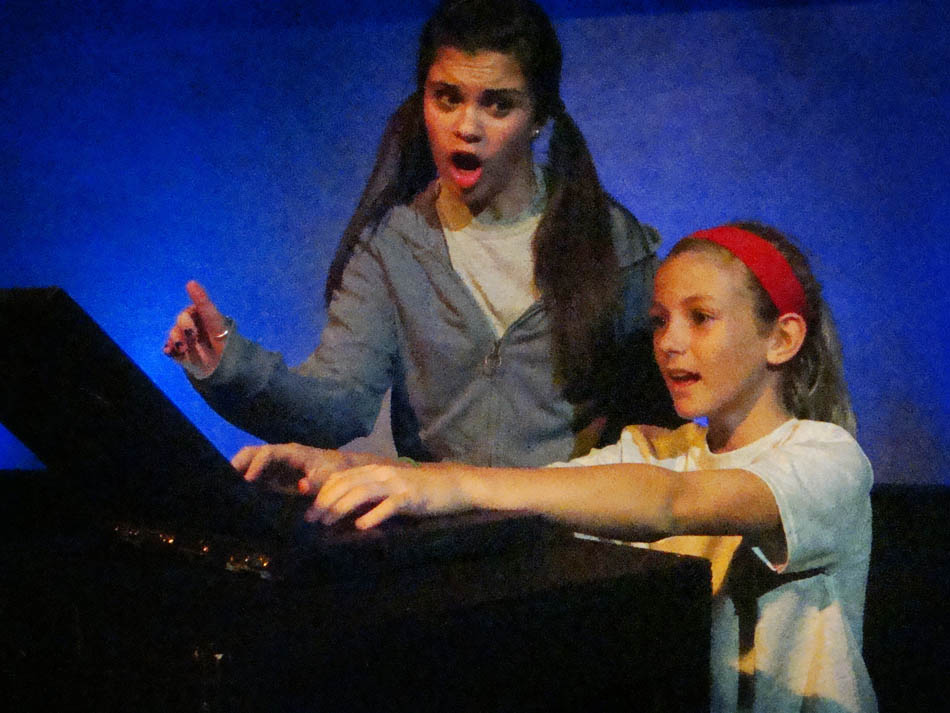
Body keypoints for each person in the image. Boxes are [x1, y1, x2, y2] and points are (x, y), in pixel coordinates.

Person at [237, 222, 877, 712]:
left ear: (781, 338)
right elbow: (535, 493)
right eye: (659, 322)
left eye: (700, 318)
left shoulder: (828, 457)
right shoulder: (651, 450)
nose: (669, 342)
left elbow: (673, 502)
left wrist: (447, 481)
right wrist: (344, 466)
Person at [164, 0, 675, 467]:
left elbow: (662, 405)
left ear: (539, 116)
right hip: (441, 523)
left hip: (571, 525)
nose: (467, 127)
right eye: (447, 98)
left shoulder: (608, 239)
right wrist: (230, 364)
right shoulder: (393, 247)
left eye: (498, 105)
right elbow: (337, 404)